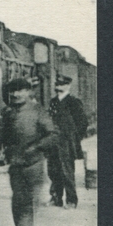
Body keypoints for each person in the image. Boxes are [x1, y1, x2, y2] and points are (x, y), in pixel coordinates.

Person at [0, 78, 59, 226]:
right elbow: (5, 136)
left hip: (33, 163)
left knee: (28, 202)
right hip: (16, 163)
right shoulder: (8, 113)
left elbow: (53, 134)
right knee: (18, 201)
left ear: (28, 92)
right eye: (12, 91)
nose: (16, 94)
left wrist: (36, 147)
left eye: (20, 90)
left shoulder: (38, 111)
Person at [48, 74, 89, 209]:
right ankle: (56, 198)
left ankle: (71, 201)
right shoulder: (53, 102)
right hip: (54, 142)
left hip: (66, 143)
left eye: (62, 85)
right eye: (57, 84)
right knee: (53, 170)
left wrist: (74, 139)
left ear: (68, 86)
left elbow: (83, 123)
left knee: (67, 171)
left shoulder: (73, 102)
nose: (58, 87)